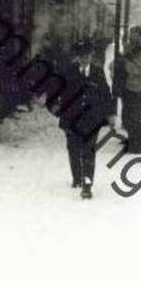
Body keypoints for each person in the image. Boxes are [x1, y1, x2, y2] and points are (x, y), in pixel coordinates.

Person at [54, 38, 116, 199]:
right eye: (81, 56)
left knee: (88, 150)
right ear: (76, 57)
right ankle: (77, 177)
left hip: (92, 118)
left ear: (92, 55)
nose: (84, 59)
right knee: (73, 148)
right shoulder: (68, 71)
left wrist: (110, 115)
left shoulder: (97, 72)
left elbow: (105, 94)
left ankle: (87, 183)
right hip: (71, 117)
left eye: (87, 55)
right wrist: (55, 105)